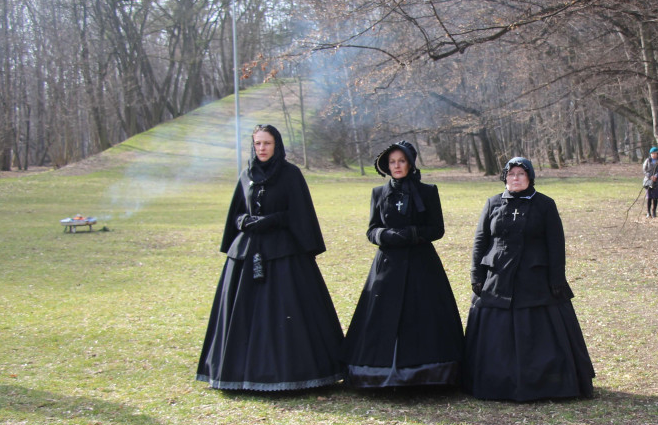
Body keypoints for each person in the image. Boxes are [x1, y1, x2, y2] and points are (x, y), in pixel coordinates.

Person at [197, 124, 345, 391]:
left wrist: (274, 220)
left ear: (277, 145)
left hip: (284, 253)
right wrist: (246, 221)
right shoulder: (246, 175)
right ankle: (239, 374)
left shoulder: (291, 174)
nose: (262, 149)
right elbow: (236, 213)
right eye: (257, 144)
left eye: (267, 143)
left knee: (288, 309)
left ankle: (294, 373)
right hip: (248, 252)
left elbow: (300, 213)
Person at [462, 157, 595, 401]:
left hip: (535, 279)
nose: (516, 178)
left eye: (521, 174)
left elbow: (556, 245)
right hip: (497, 277)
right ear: (505, 177)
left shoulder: (545, 204)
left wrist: (557, 279)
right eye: (511, 173)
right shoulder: (492, 203)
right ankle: (495, 381)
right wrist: (476, 274)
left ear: (530, 177)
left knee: (537, 331)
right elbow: (481, 241)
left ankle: (544, 382)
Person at [343, 141, 464, 388]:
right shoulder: (379, 193)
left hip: (421, 264)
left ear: (410, 163)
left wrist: (411, 234)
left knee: (421, 315)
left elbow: (437, 229)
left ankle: (427, 374)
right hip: (387, 264)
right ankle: (378, 373)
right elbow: (371, 229)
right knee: (383, 316)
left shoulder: (428, 191)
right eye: (392, 162)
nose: (396, 166)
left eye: (401, 161)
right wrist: (384, 236)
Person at [642, 147, 658, 218]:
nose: (653, 155)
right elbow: (644, 170)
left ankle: (654, 211)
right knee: (649, 197)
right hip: (648, 181)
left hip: (657, 181)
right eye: (652, 154)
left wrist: (656, 176)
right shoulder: (647, 160)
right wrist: (650, 176)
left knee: (655, 197)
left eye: (655, 153)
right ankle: (648, 212)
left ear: (657, 154)